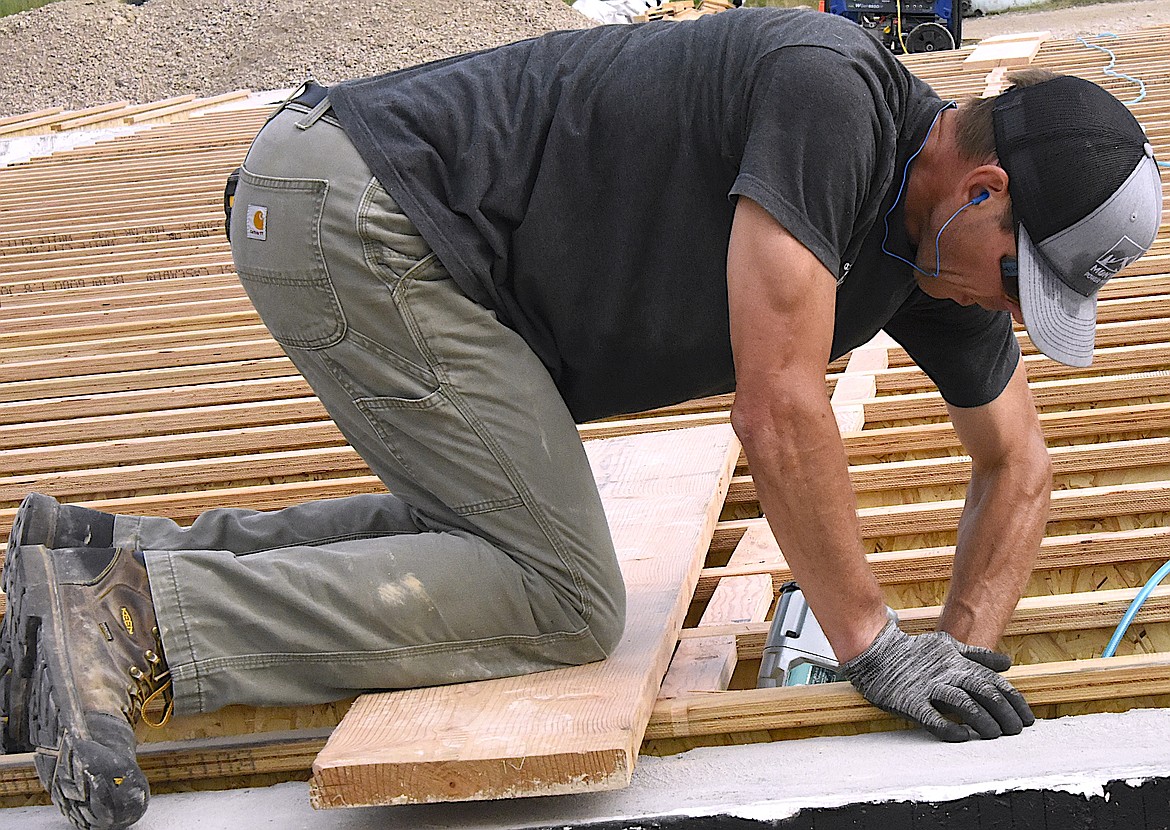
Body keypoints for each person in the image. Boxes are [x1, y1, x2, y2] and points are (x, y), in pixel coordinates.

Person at [2, 7, 1162, 829]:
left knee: (478, 535)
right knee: (564, 595)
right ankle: (131, 624)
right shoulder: (835, 93)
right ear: (982, 191)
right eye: (1020, 279)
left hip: (396, 235)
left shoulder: (938, 263)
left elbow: (1020, 466)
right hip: (361, 211)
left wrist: (961, 652)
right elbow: (780, 406)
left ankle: (91, 561)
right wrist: (876, 645)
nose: (1006, 309)